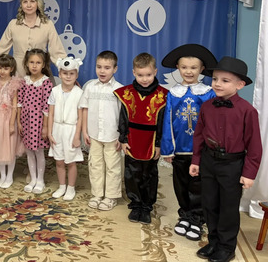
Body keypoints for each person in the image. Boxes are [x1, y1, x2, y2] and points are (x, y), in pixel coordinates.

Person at [190, 57, 262, 262]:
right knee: (209, 203)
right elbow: (199, 134)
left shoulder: (247, 111)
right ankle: (213, 241)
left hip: (232, 165)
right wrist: (196, 160)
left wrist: (249, 173)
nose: (218, 84)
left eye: (225, 80)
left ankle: (227, 247)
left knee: (228, 207)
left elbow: (254, 145)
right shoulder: (207, 106)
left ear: (240, 85)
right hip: (208, 161)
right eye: (215, 79)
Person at [160, 44, 217, 240]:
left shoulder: (208, 93)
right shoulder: (173, 93)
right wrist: (168, 149)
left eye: (193, 68)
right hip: (179, 150)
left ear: (202, 69)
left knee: (198, 185)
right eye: (184, 67)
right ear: (178, 67)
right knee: (181, 183)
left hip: (200, 150)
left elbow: (212, 122)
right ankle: (184, 214)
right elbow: (168, 121)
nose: (189, 71)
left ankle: (197, 218)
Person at [115, 52, 168, 225]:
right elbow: (123, 119)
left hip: (151, 141)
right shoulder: (127, 93)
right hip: (132, 140)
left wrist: (159, 144)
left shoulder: (163, 95)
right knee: (132, 173)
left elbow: (162, 123)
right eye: (140, 75)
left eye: (148, 75)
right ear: (133, 73)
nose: (144, 79)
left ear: (155, 72)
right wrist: (123, 139)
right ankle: (136, 203)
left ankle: (146, 206)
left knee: (149, 174)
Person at [0, 0, 67, 77]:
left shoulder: (47, 25)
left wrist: (68, 70)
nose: (29, 5)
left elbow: (57, 51)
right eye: (25, 2)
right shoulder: (13, 24)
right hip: (18, 73)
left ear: (38, 4)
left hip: (40, 74)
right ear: (21, 5)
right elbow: (1, 50)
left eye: (32, 1)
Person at [81, 50, 123, 211]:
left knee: (112, 166)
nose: (102, 71)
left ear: (115, 69)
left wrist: (121, 136)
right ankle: (97, 194)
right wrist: (84, 131)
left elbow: (123, 115)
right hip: (94, 134)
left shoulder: (119, 89)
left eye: (107, 67)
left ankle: (111, 196)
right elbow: (84, 109)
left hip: (112, 135)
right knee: (95, 164)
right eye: (99, 67)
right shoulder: (90, 87)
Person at [47, 57, 84, 201]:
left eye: (71, 73)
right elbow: (50, 113)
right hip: (57, 129)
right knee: (59, 160)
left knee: (71, 161)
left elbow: (80, 117)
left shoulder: (79, 93)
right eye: (65, 73)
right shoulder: (55, 91)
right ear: (60, 74)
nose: (68, 76)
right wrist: (50, 132)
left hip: (71, 130)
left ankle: (71, 187)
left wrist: (77, 136)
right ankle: (62, 186)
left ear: (76, 75)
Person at [18, 48, 53, 194]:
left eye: (38, 63)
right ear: (26, 63)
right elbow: (19, 102)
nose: (34, 65)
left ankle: (40, 180)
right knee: (29, 152)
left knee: (38, 152)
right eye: (31, 62)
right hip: (26, 121)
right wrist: (19, 122)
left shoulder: (46, 83)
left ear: (43, 65)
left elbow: (47, 107)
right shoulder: (24, 81)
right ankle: (32, 179)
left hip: (38, 122)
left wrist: (45, 127)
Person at [0, 54, 23, 188]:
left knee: (9, 147)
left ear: (11, 69)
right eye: (0, 68)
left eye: (6, 68)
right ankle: (2, 176)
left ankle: (9, 176)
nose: (2, 71)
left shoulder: (14, 84)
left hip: (8, 117)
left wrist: (12, 123)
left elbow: (15, 105)